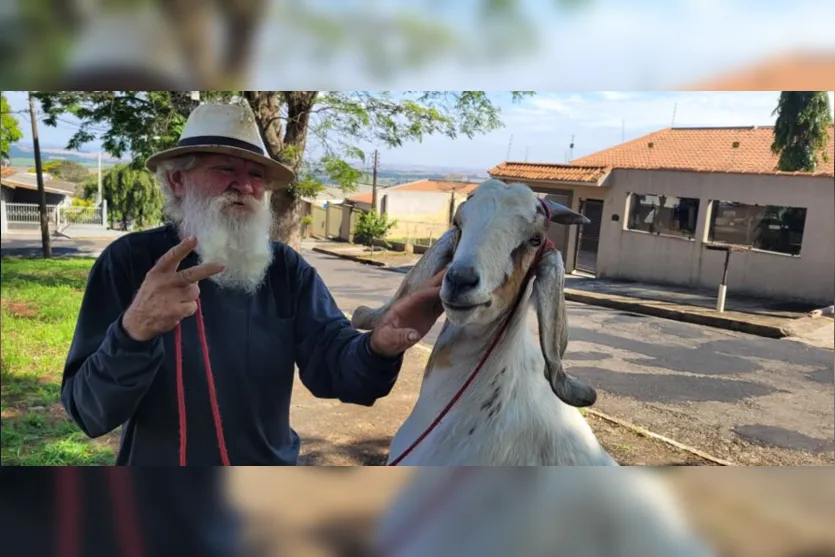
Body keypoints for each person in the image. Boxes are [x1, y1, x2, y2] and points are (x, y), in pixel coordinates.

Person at [61, 101, 445, 466]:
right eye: (226, 169)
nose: (244, 186)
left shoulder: (285, 270)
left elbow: (337, 368)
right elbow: (89, 411)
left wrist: (377, 347)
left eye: (256, 175)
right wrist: (134, 331)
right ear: (178, 180)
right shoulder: (128, 262)